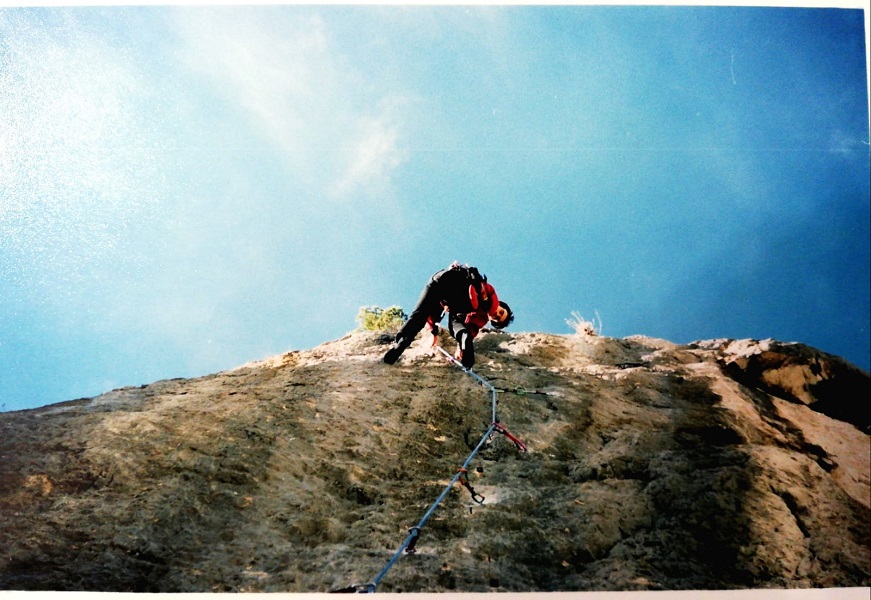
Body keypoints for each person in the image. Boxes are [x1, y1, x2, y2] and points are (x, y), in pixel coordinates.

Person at [383, 262, 514, 368]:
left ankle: (400, 344)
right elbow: (470, 327)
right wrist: (462, 342)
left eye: (496, 318)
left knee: (420, 315)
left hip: (441, 282)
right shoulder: (489, 298)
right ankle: (463, 338)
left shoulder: (484, 309)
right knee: (456, 320)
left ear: (492, 320)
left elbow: (436, 313)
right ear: (501, 304)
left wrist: (434, 331)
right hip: (458, 287)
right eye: (501, 312)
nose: (496, 313)